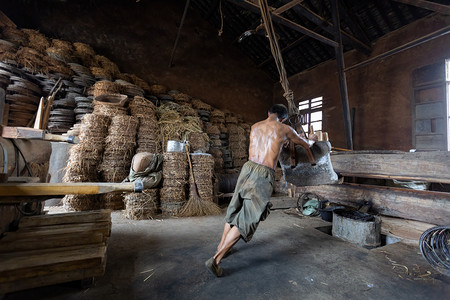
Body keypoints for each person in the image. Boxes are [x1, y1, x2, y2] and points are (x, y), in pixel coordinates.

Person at [205, 104, 316, 277]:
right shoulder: (284, 128)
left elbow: (269, 143)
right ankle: (216, 259)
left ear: (268, 113)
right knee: (249, 217)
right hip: (263, 173)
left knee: (235, 208)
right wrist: (313, 138)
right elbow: (305, 144)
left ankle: (222, 247)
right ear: (284, 117)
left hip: (247, 168)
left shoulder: (255, 126)